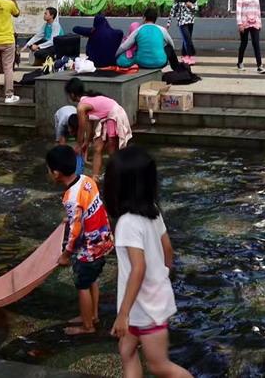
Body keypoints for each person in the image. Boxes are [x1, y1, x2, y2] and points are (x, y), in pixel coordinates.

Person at [104, 146, 192, 378]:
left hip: (144, 309)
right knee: (126, 351)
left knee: (159, 366)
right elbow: (168, 250)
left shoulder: (127, 223)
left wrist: (122, 314)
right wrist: (161, 278)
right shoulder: (152, 211)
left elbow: (138, 268)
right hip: (146, 302)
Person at [46, 145, 114, 336]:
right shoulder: (87, 180)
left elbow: (75, 233)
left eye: (48, 169)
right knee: (92, 279)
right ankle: (92, 315)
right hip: (104, 240)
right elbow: (87, 209)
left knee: (82, 285)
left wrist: (66, 255)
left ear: (56, 173)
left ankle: (87, 326)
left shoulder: (70, 198)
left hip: (89, 249)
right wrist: (72, 217)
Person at [67, 77, 132, 177]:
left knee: (112, 148)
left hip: (114, 115)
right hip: (108, 118)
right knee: (97, 147)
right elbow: (89, 126)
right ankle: (95, 176)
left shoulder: (81, 106)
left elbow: (81, 128)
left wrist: (79, 145)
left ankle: (117, 174)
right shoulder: (87, 101)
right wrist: (86, 142)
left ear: (72, 94)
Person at [236, 0, 265, 74]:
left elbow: (258, 9)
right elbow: (238, 10)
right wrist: (240, 24)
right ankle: (240, 62)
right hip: (244, 23)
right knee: (244, 43)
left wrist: (259, 22)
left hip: (255, 23)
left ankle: (260, 66)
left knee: (256, 44)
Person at [168, 0, 197, 65]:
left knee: (186, 39)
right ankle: (190, 55)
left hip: (190, 21)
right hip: (182, 21)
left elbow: (196, 9)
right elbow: (173, 11)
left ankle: (184, 55)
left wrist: (191, 6)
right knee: (187, 38)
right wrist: (169, 22)